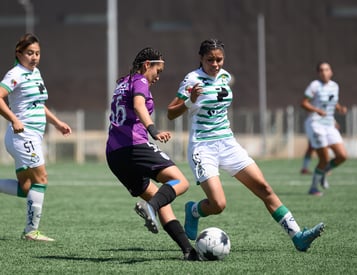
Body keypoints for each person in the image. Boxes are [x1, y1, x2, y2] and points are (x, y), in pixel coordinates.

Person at [167, 39, 324, 252]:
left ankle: (298, 236)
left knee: (264, 188)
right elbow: (170, 112)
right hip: (203, 147)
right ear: (201, 59)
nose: (215, 64)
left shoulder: (225, 76)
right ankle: (194, 211)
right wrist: (189, 101)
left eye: (219, 59)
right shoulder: (192, 79)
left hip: (228, 144)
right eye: (210, 60)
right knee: (218, 205)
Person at [105, 47, 198, 260]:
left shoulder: (122, 82)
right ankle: (150, 207)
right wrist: (153, 130)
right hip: (134, 146)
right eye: (158, 70)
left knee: (161, 199)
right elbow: (139, 105)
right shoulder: (140, 81)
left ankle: (188, 251)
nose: (158, 76)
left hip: (114, 154)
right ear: (147, 64)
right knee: (181, 182)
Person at [0, 33, 72, 241]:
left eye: (37, 53)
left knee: (26, 188)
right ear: (18, 53)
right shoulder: (15, 74)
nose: (34, 57)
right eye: (30, 53)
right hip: (23, 136)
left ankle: (30, 230)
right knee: (41, 179)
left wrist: (57, 123)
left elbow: (38, 105)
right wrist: (14, 119)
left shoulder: (35, 73)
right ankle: (31, 231)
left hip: (32, 136)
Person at [300, 62, 347, 196]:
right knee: (324, 159)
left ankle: (324, 172)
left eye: (326, 69)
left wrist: (340, 108)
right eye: (321, 70)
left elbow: (332, 101)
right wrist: (317, 110)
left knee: (342, 156)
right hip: (315, 124)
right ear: (318, 73)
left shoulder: (335, 86)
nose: (324, 72)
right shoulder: (315, 85)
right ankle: (313, 188)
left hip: (329, 124)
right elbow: (303, 103)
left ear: (331, 72)